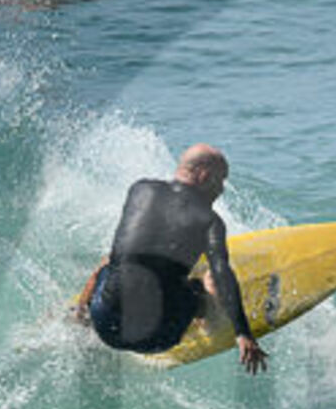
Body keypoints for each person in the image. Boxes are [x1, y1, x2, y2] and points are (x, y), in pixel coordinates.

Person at [80, 145, 268, 374]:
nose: (220, 190)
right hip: (159, 337)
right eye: (220, 181)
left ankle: (79, 315)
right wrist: (243, 332)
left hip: (105, 325)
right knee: (208, 278)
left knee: (111, 262)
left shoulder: (140, 189)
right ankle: (209, 323)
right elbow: (222, 273)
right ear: (204, 175)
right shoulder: (210, 221)